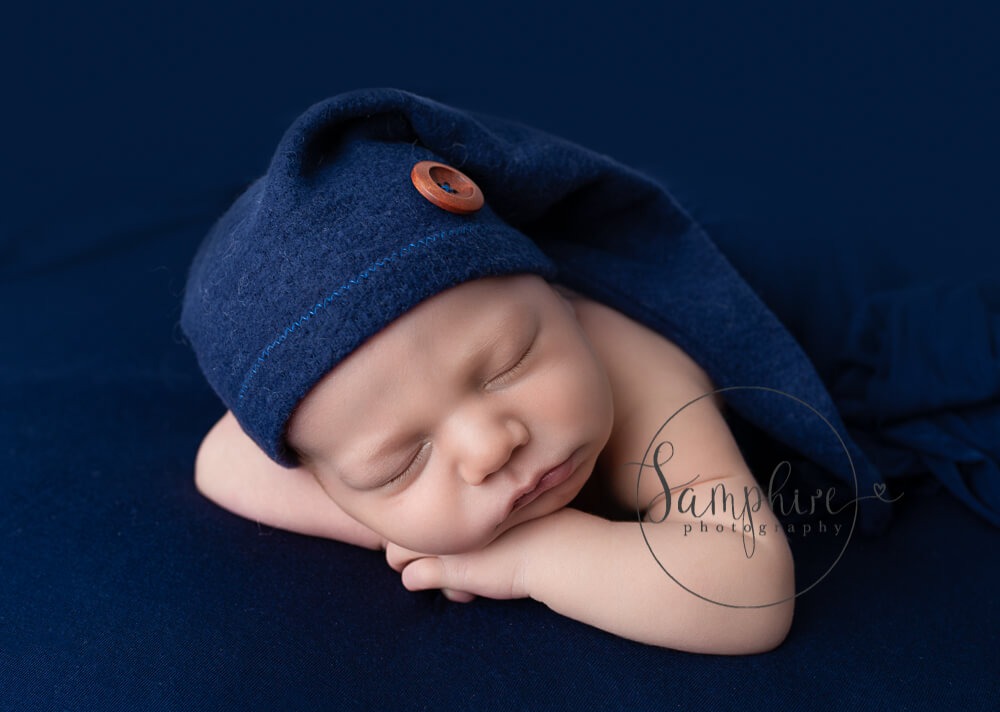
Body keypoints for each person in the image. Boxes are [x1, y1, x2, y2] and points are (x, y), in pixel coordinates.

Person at [182, 89, 864, 655]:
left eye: (507, 363)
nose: (490, 446)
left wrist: (529, 556)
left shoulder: (639, 377)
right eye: (398, 464)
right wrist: (410, 525)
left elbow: (750, 592)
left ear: (560, 299)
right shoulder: (336, 428)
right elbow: (219, 460)